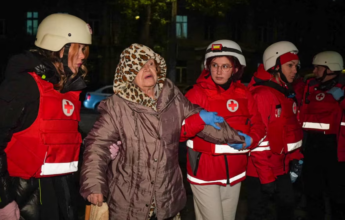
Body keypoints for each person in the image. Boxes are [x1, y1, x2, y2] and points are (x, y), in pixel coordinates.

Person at [79, 43, 246, 220]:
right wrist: (94, 185)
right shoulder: (117, 106)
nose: (147, 69)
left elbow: (202, 122)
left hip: (167, 197)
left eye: (150, 63)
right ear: (129, 73)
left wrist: (236, 137)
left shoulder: (171, 96)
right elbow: (97, 146)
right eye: (140, 66)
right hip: (129, 201)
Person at [0, 13, 92, 220]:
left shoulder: (65, 91)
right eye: (78, 48)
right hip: (24, 198)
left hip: (61, 195)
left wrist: (98, 149)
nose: (83, 55)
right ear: (60, 47)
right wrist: (0, 202)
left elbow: (63, 144)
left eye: (85, 49)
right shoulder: (24, 86)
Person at [179, 39, 266, 220]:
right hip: (205, 172)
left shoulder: (244, 93)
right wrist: (199, 119)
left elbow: (259, 124)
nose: (219, 71)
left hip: (235, 172)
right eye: (214, 65)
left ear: (235, 68)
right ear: (207, 66)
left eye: (225, 66)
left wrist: (252, 139)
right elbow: (177, 132)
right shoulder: (196, 94)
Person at [246, 41, 304, 220]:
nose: (295, 70)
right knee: (259, 214)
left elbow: (290, 131)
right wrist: (266, 177)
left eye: (296, 65)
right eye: (290, 65)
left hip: (281, 168)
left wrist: (296, 158)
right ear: (275, 66)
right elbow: (257, 140)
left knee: (287, 208)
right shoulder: (262, 95)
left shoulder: (285, 94)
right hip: (261, 171)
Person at [299, 51, 345, 219]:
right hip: (312, 146)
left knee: (337, 195)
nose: (315, 71)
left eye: (318, 67)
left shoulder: (342, 89)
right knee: (312, 192)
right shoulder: (311, 86)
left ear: (331, 68)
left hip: (335, 151)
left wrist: (342, 100)